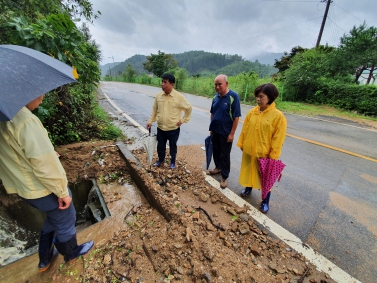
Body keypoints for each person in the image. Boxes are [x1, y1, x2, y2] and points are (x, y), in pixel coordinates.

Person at [0, 95, 94, 272]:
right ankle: (71, 253)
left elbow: (17, 154)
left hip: (21, 186)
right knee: (66, 216)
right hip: (40, 187)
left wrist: (49, 152)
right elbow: (43, 163)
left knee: (53, 217)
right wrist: (62, 191)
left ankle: (45, 259)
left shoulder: (3, 119)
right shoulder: (25, 120)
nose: (41, 100)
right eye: (40, 95)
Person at [237, 83, 287, 213]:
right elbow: (244, 130)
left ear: (270, 97)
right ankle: (248, 188)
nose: (258, 99)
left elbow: (278, 139)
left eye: (261, 97)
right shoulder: (252, 112)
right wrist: (242, 144)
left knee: (265, 178)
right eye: (257, 97)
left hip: (264, 154)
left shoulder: (278, 116)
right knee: (249, 171)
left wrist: (273, 157)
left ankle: (265, 201)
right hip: (249, 151)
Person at [146, 73, 192, 169]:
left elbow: (189, 108)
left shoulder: (179, 97)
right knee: (160, 146)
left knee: (172, 146)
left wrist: (183, 120)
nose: (162, 84)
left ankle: (172, 162)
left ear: (172, 84)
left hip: (173, 129)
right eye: (162, 81)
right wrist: (150, 121)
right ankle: (160, 160)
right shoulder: (159, 96)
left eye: (165, 82)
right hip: (161, 128)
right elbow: (154, 109)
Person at [208, 74, 241, 188]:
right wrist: (211, 128)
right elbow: (212, 112)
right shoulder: (215, 97)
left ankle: (224, 176)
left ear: (226, 84)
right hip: (215, 131)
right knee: (216, 152)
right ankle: (218, 168)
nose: (217, 87)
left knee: (225, 155)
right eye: (215, 84)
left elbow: (236, 117)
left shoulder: (233, 97)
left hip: (226, 133)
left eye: (219, 84)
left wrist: (232, 133)